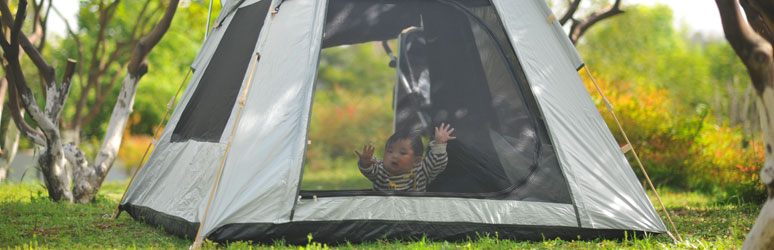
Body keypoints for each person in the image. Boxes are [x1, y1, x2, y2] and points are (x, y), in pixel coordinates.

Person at [354, 123, 456, 192]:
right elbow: (370, 170)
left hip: (412, 217)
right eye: (389, 151)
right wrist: (365, 163)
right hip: (385, 217)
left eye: (402, 153)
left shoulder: (421, 171)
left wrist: (439, 144)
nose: (394, 156)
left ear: (416, 160)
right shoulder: (381, 170)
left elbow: (437, 162)